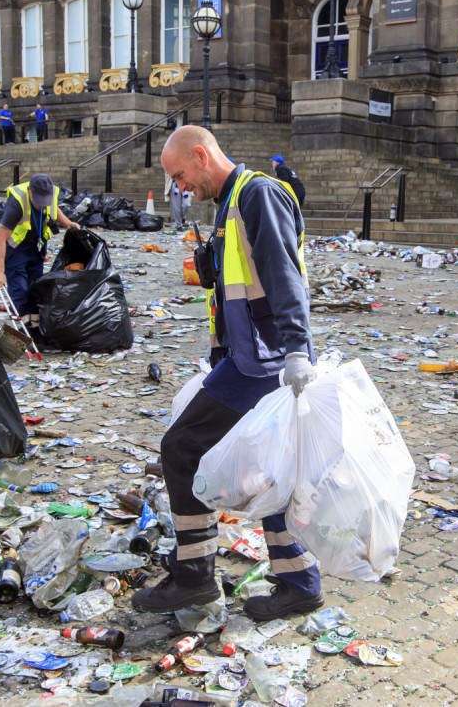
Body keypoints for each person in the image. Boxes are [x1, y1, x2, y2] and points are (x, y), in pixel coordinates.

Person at [132, 125, 321, 622]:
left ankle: (194, 576)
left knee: (181, 447)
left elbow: (284, 275)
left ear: (200, 154)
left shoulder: (257, 194)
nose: (180, 188)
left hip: (266, 363)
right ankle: (298, 582)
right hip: (249, 358)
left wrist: (298, 348)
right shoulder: (232, 201)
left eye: (180, 175)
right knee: (269, 469)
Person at [0, 174, 77, 337]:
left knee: (36, 289)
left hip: (36, 247)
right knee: (20, 292)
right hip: (16, 250)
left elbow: (54, 209)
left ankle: (35, 330)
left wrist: (67, 223)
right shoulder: (17, 203)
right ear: (30, 190)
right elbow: (0, 238)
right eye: (38, 201)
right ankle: (25, 333)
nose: (41, 204)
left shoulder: (49, 195)